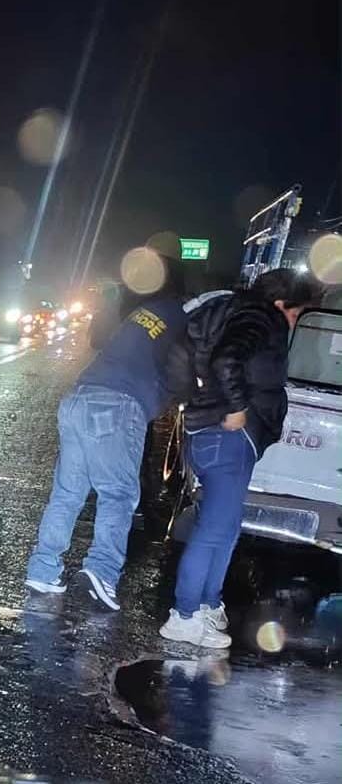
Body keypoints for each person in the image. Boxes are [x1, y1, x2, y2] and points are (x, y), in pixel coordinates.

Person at [159, 268, 322, 648]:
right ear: (282, 303)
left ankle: (203, 607)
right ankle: (182, 615)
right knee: (215, 528)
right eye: (296, 314)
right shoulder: (260, 315)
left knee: (226, 528)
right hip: (227, 434)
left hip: (218, 434)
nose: (294, 323)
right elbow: (227, 358)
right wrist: (236, 406)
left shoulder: (232, 311)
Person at [23, 280, 190, 611]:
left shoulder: (147, 314)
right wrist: (188, 397)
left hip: (79, 397)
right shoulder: (185, 322)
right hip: (116, 406)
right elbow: (182, 370)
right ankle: (102, 571)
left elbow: (104, 340)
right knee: (118, 494)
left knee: (68, 494)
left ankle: (43, 569)